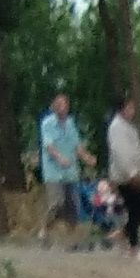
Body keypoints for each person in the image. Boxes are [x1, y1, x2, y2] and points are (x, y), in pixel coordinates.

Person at [103, 92, 140, 253]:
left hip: (134, 174)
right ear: (122, 109)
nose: (132, 110)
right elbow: (121, 153)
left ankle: (122, 235)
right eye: (130, 107)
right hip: (125, 176)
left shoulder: (127, 126)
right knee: (136, 210)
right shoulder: (116, 128)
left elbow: (136, 152)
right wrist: (131, 174)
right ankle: (133, 245)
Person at [36, 90, 87, 233]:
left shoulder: (71, 123)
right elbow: (49, 145)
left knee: (74, 206)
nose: (63, 108)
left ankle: (71, 235)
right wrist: (59, 158)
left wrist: (86, 157)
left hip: (71, 171)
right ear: (54, 107)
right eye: (59, 105)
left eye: (65, 104)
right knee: (56, 204)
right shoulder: (47, 123)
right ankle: (45, 229)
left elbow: (77, 145)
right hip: (53, 172)